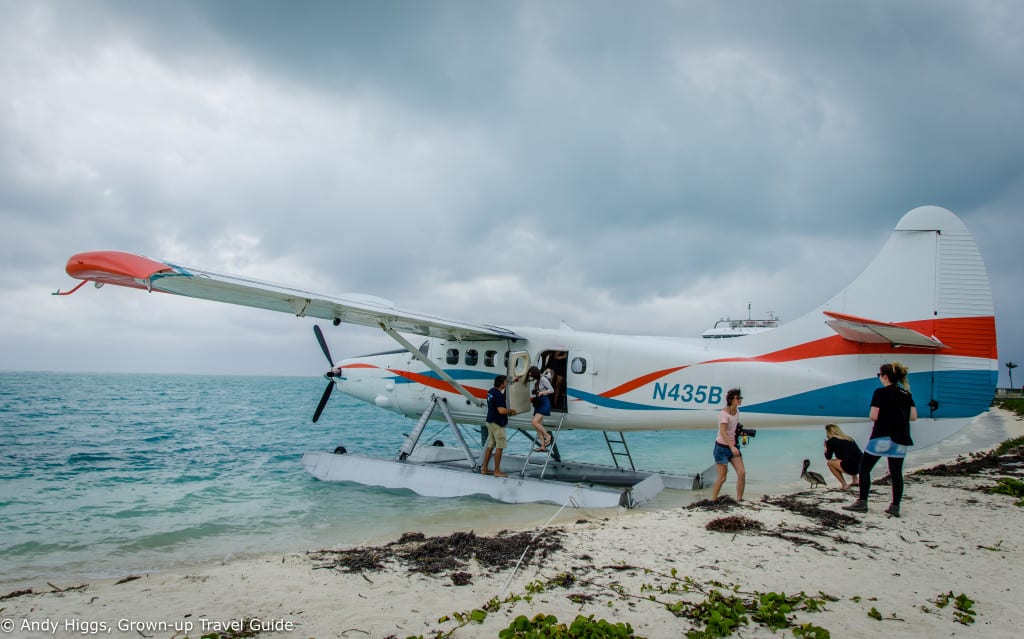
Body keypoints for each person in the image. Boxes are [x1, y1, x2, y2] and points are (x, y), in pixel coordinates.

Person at [843, 362, 917, 517]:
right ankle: (895, 506)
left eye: (879, 375)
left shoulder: (880, 392)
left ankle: (862, 502)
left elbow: (873, 416)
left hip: (882, 436)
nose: (879, 378)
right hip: (901, 440)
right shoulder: (906, 394)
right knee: (896, 473)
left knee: (864, 469)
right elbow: (913, 417)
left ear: (885, 376)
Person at [710, 388, 746, 501]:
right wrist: (731, 446)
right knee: (722, 478)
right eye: (738, 398)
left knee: (742, 473)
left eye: (741, 398)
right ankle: (713, 500)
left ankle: (739, 499)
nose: (740, 400)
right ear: (731, 400)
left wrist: (741, 434)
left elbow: (732, 430)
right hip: (721, 449)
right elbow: (723, 432)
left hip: (734, 446)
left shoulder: (737, 412)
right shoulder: (724, 414)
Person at [481, 375, 516, 477]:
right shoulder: (498, 395)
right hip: (497, 423)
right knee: (499, 447)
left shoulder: (491, 391)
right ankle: (497, 471)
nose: (507, 383)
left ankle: (484, 469)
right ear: (502, 384)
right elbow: (501, 410)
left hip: (490, 421)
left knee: (490, 445)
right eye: (506, 382)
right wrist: (511, 411)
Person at [823, 423, 862, 489]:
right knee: (851, 458)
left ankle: (844, 484)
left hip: (852, 468)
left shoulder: (831, 441)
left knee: (830, 463)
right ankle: (855, 480)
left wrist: (825, 448)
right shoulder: (849, 438)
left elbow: (828, 457)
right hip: (862, 466)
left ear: (828, 432)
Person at [525, 366, 554, 451]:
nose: (531, 377)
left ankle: (547, 435)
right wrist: (548, 371)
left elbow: (552, 390)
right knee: (538, 426)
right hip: (539, 402)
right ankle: (543, 446)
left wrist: (542, 392)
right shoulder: (540, 378)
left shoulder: (542, 379)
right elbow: (549, 375)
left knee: (534, 422)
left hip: (544, 402)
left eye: (532, 375)